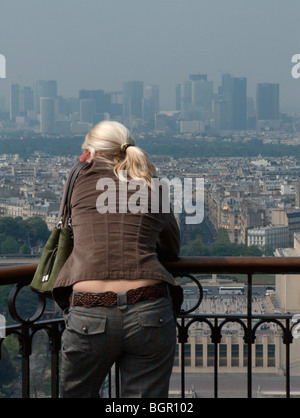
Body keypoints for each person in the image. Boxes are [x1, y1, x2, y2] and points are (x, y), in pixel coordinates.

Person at [53, 121, 181, 398]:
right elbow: (171, 248)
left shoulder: (79, 180)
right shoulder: (152, 185)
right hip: (149, 305)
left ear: (92, 154)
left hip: (89, 308)